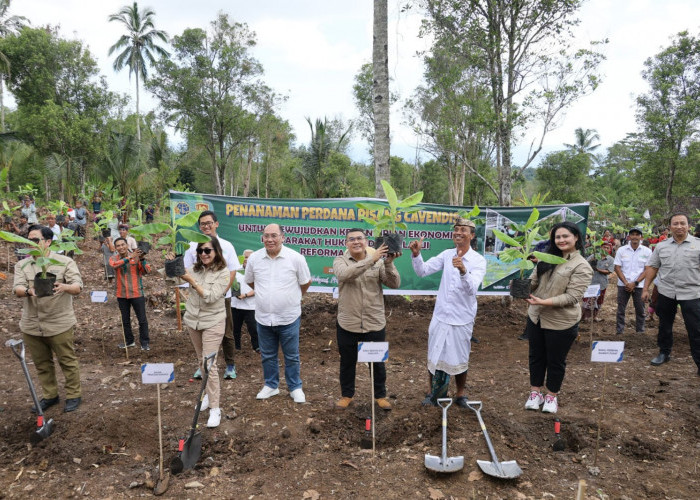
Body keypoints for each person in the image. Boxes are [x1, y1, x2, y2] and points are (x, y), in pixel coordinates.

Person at [409, 217, 487, 409]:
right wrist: (417, 255)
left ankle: (460, 394)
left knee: (460, 357)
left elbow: (472, 290)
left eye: (463, 229)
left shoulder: (478, 261)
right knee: (434, 355)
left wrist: (462, 270)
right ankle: (432, 393)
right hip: (441, 315)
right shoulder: (446, 254)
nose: (458, 232)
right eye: (456, 229)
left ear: (472, 235)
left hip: (462, 318)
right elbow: (423, 271)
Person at [522, 222, 592, 414]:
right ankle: (535, 392)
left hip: (561, 321)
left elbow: (572, 297)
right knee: (536, 356)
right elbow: (534, 281)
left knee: (555, 360)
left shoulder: (581, 266)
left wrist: (543, 302)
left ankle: (551, 395)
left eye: (565, 236)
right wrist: (522, 285)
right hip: (536, 317)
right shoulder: (547, 258)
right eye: (557, 237)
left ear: (576, 237)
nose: (561, 240)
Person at [12, 225, 83, 413]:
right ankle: (50, 395)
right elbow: (17, 288)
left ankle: (74, 394)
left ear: (48, 241)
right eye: (29, 240)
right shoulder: (22, 264)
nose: (31, 243)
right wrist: (28, 291)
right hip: (31, 324)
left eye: (35, 240)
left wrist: (64, 287)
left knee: (67, 361)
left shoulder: (64, 262)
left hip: (59, 322)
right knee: (42, 363)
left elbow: (77, 286)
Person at [333, 229, 400, 410]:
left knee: (377, 363)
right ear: (346, 243)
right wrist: (372, 259)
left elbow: (394, 283)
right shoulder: (340, 261)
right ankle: (347, 395)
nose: (356, 242)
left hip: (373, 322)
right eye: (351, 239)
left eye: (359, 238)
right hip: (348, 323)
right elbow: (345, 275)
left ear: (366, 241)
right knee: (347, 362)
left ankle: (380, 396)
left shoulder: (378, 262)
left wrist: (388, 263)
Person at [245, 223, 311, 403]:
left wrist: (292, 297)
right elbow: (251, 282)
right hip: (263, 317)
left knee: (291, 355)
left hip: (288, 317)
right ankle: (271, 385)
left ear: (283, 237)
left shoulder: (295, 258)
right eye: (266, 236)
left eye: (274, 235)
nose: (269, 239)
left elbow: (305, 282)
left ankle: (295, 387)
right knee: (267, 355)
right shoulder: (254, 259)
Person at [175, 239, 231, 428]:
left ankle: (215, 408)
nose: (204, 254)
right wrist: (171, 264)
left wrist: (190, 281)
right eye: (200, 250)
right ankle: (208, 393)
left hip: (213, 320)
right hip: (193, 320)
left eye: (208, 250)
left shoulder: (223, 272)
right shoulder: (194, 268)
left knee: (209, 363)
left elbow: (211, 297)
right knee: (201, 361)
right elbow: (172, 279)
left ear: (216, 251)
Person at [184, 210, 241, 381]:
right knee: (199, 330)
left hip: (221, 295)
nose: (206, 226)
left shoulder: (226, 245)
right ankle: (202, 365)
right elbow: (186, 271)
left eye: (209, 223)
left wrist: (219, 292)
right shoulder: (193, 246)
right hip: (198, 298)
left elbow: (232, 272)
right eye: (203, 224)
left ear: (216, 224)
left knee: (227, 332)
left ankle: (230, 365)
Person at [642, 213, 700, 371]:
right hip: (666, 292)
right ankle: (664, 352)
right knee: (665, 325)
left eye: (683, 223)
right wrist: (646, 288)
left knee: (695, 329)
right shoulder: (662, 246)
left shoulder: (698, 244)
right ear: (670, 227)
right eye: (676, 223)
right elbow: (653, 267)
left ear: (688, 226)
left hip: (692, 293)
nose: (679, 226)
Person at [109, 238, 151, 351]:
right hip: (121, 294)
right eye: (118, 245)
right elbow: (114, 265)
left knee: (142, 319)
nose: (121, 247)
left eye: (123, 244)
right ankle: (129, 341)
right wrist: (130, 257)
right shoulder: (113, 258)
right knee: (125, 320)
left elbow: (146, 271)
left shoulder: (137, 257)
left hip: (137, 292)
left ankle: (145, 343)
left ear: (127, 245)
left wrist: (142, 259)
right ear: (116, 248)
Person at [613, 227, 652, 335]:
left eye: (637, 234)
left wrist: (635, 283)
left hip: (639, 286)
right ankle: (619, 332)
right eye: (633, 234)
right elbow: (617, 267)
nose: (635, 236)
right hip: (623, 285)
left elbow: (647, 269)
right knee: (621, 310)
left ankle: (640, 332)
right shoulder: (621, 250)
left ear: (641, 237)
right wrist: (626, 283)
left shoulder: (647, 251)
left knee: (640, 310)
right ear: (629, 237)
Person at [231, 249, 259, 352]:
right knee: (235, 328)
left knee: (253, 328)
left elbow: (259, 288)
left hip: (251, 306)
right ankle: (236, 347)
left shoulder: (257, 270)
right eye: (245, 257)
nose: (247, 259)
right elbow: (231, 282)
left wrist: (246, 295)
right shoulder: (235, 270)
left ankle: (257, 346)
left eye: (250, 257)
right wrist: (235, 292)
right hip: (235, 305)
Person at [582, 241, 614, 322]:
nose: (605, 249)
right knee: (588, 301)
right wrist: (591, 263)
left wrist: (597, 269)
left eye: (608, 248)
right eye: (604, 247)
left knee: (599, 301)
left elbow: (609, 271)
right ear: (601, 248)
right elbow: (585, 263)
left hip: (601, 283)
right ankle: (584, 317)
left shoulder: (611, 260)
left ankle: (594, 317)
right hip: (591, 282)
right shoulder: (594, 256)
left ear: (610, 249)